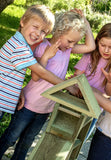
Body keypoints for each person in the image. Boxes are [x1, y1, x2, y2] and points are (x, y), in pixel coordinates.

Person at [0, 9, 95, 160]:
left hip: (46, 107)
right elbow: (37, 76)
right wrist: (46, 57)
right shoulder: (41, 46)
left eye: (75, 43)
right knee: (11, 137)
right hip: (28, 104)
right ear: (58, 32)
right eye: (70, 41)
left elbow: (90, 47)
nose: (72, 45)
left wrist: (86, 22)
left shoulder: (67, 50)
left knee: (26, 142)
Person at [0, 4, 79, 122]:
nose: (38, 33)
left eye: (43, 32)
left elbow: (9, 74)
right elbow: (41, 72)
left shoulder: (20, 44)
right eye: (35, 27)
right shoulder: (19, 48)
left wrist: (18, 91)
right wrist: (68, 86)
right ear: (23, 22)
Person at [71, 23, 111, 140]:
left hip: (94, 108)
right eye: (102, 45)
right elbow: (77, 77)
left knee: (80, 139)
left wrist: (110, 81)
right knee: (66, 133)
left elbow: (110, 94)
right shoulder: (90, 56)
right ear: (98, 41)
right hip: (76, 100)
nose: (106, 50)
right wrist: (76, 85)